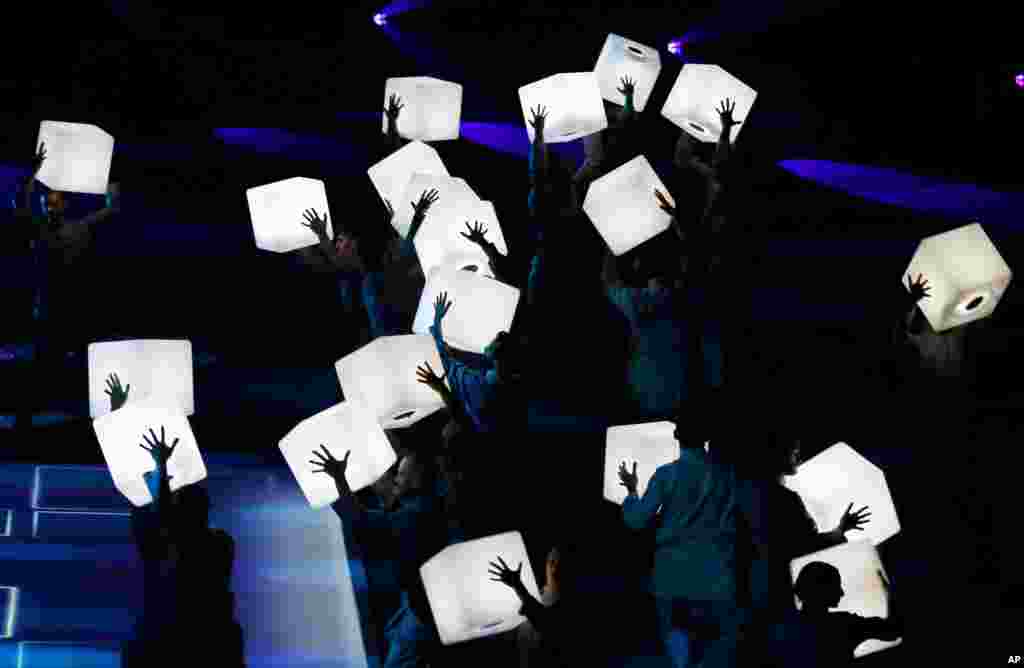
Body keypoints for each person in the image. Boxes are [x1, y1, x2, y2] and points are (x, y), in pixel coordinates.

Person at [618, 405, 742, 668]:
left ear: (675, 434)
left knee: (679, 648)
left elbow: (636, 520)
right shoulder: (727, 475)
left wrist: (631, 491)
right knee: (713, 648)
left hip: (673, 572)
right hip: (716, 570)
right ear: (706, 436)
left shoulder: (667, 474)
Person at [737, 438, 871, 660]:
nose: (798, 457)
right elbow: (805, 545)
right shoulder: (786, 499)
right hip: (779, 592)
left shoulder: (748, 494)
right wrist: (840, 532)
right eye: (794, 451)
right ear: (777, 456)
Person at [314, 445, 448, 667]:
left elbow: (360, 523)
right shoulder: (426, 508)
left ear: (418, 481)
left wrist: (337, 478)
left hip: (422, 618)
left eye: (401, 475)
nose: (395, 477)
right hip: (419, 609)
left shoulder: (414, 515)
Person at [297, 189, 438, 340]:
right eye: (336, 242)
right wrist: (321, 236)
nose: (336, 246)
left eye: (340, 241)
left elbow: (406, 250)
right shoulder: (355, 279)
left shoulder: (377, 274)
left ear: (354, 244)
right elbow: (336, 262)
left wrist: (416, 217)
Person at [765, 562, 902, 667]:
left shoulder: (784, 628)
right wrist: (890, 593)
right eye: (837, 586)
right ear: (822, 590)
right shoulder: (843, 624)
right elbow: (892, 630)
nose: (842, 593)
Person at [428, 291, 522, 433]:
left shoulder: (478, 387)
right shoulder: (500, 376)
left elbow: (446, 362)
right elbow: (476, 359)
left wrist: (437, 321)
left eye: (498, 340)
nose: (498, 334)